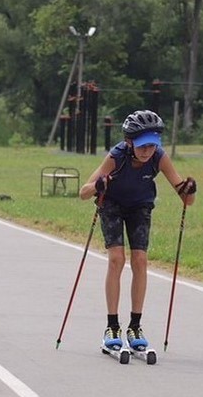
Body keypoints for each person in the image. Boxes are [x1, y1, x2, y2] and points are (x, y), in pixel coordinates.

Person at [79, 109, 196, 351]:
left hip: (140, 206)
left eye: (152, 145)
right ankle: (112, 326)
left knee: (140, 260)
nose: (147, 151)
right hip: (111, 204)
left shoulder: (159, 158)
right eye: (142, 146)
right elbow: (83, 192)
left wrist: (190, 190)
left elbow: (186, 200)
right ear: (129, 142)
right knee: (116, 259)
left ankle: (135, 326)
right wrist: (99, 185)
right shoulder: (116, 157)